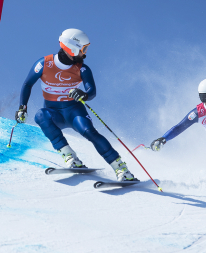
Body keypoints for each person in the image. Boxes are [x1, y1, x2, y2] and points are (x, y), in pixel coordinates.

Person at [15, 28, 137, 181]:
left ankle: (122, 170)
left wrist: (83, 95)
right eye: (83, 49)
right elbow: (27, 84)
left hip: (74, 113)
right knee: (40, 115)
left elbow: (92, 91)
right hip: (54, 114)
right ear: (71, 48)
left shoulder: (83, 69)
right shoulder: (44, 64)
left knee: (89, 132)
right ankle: (71, 158)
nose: (84, 53)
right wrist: (22, 107)